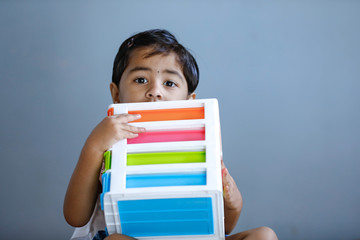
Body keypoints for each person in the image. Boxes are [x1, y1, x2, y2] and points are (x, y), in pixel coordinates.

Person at [64, 29, 278, 240]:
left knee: (264, 235)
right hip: (130, 237)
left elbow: (224, 228)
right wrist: (94, 146)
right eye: (140, 80)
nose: (155, 91)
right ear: (116, 94)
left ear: (190, 101)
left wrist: (233, 202)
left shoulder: (200, 144)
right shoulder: (108, 141)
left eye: (169, 83)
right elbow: (75, 217)